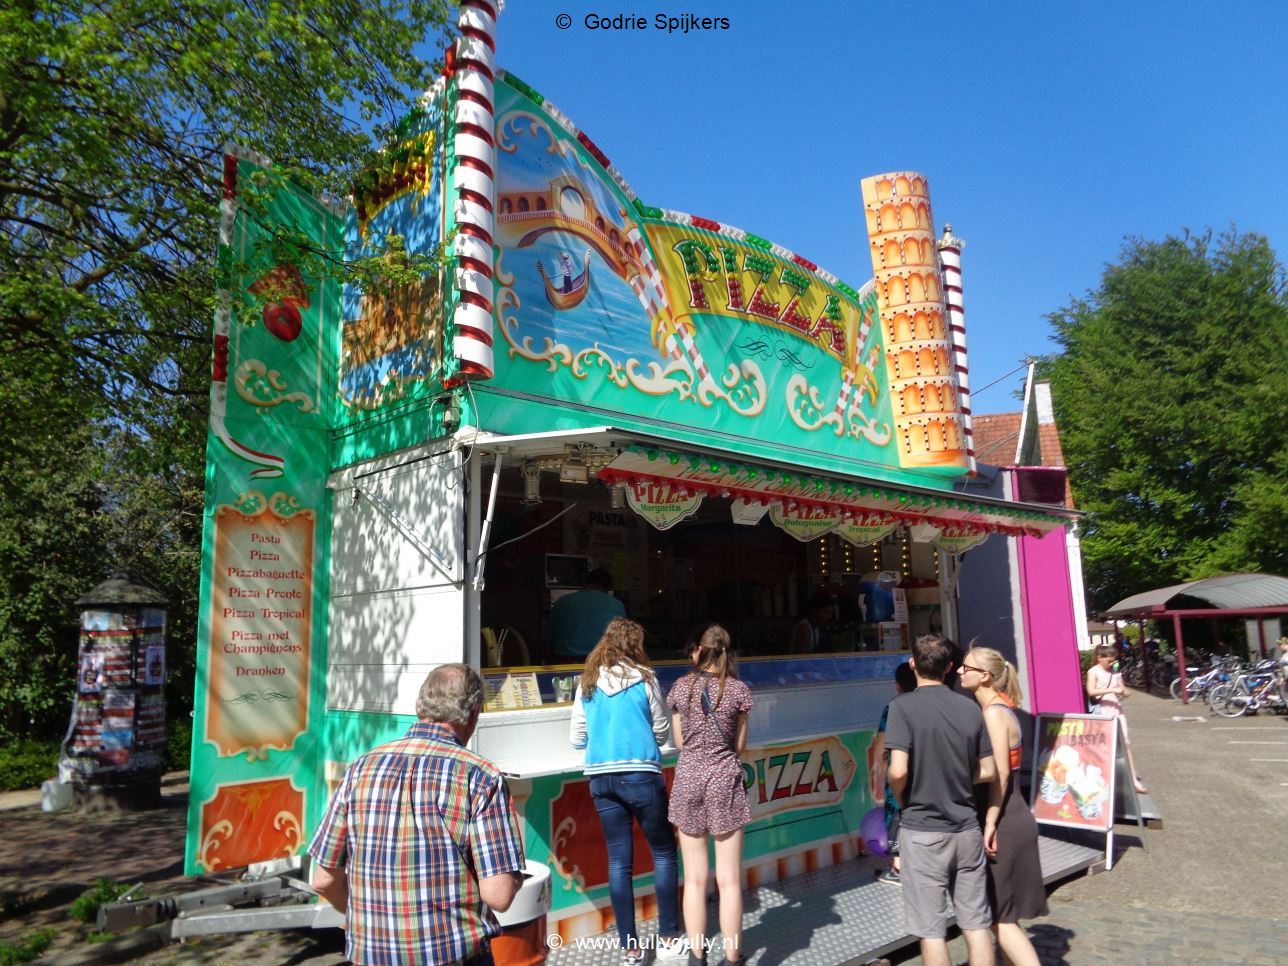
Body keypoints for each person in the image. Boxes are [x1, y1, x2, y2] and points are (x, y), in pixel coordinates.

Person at [309, 664, 525, 966]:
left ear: (419, 705)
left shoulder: (359, 768)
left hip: (371, 955)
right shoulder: (480, 776)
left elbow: (323, 880)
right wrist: (515, 877)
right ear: (474, 713)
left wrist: (367, 920)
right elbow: (499, 895)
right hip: (452, 955)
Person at [569, 618, 687, 965]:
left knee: (619, 862)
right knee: (664, 853)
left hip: (601, 779)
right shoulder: (646, 679)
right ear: (636, 646)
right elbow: (662, 731)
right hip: (641, 775)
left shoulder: (587, 682)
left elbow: (576, 738)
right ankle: (668, 937)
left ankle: (631, 948)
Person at [885, 635, 997, 966]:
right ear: (949, 667)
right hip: (967, 829)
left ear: (912, 664)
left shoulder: (901, 707)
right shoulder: (970, 708)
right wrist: (956, 774)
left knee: (931, 931)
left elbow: (898, 770)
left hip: (923, 830)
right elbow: (989, 770)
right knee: (976, 924)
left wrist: (902, 799)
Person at [667, 625, 754, 966]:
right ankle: (732, 957)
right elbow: (740, 746)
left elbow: (679, 743)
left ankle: (697, 956)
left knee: (694, 879)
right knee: (728, 881)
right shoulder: (738, 690)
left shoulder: (680, 687)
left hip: (688, 778)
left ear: (699, 651)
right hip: (723, 780)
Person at [958, 645, 1049, 966]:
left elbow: (1000, 776)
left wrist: (990, 822)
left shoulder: (994, 713)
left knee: (999, 918)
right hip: (1011, 815)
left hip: (1005, 818)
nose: (959, 671)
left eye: (966, 667)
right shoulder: (1000, 707)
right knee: (1005, 914)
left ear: (984, 676)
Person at [869, 661, 918, 885]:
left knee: (897, 812)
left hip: (900, 770)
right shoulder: (928, 704)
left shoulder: (893, 708)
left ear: (897, 685)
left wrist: (880, 761)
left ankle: (899, 867)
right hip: (926, 772)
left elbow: (881, 743)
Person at [1085, 643, 1148, 794]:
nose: (1112, 664)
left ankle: (1133, 780)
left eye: (1114, 661)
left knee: (1126, 743)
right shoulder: (1093, 672)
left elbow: (1125, 691)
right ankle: (1102, 779)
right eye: (1109, 661)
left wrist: (1124, 692)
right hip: (1102, 711)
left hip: (1116, 710)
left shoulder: (1116, 673)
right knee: (1104, 745)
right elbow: (1091, 691)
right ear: (1099, 658)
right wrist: (1112, 689)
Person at [547, 568, 626, 661]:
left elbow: (547, 639)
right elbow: (622, 641)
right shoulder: (616, 604)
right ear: (608, 587)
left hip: (566, 660)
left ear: (584, 583)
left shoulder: (563, 601)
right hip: (603, 660)